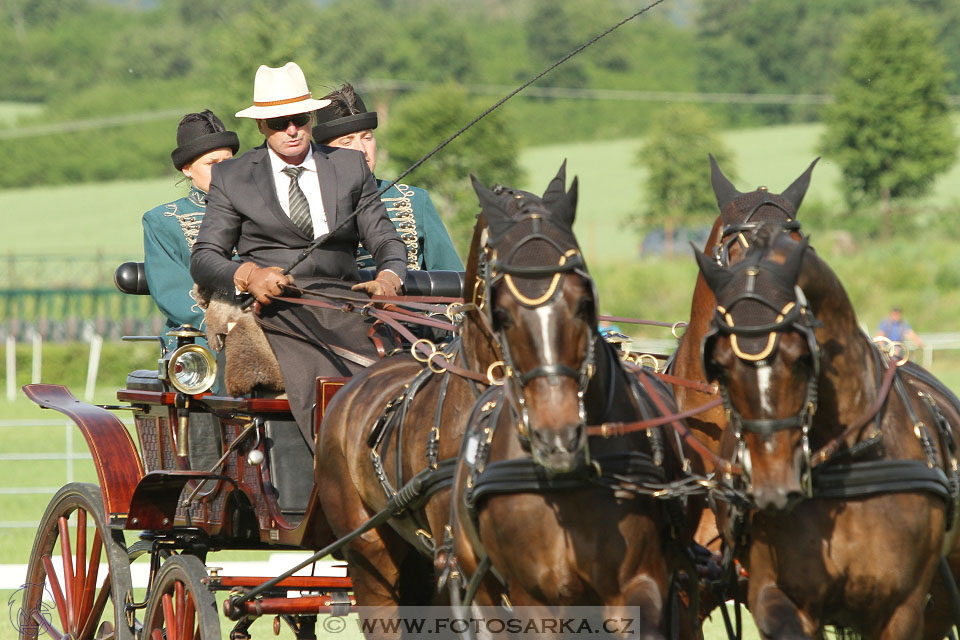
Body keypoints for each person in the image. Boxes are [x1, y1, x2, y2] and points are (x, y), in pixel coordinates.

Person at [190, 62, 406, 447]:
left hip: (347, 303)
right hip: (277, 309)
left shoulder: (349, 165)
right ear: (261, 126)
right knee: (323, 377)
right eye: (278, 122)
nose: (291, 130)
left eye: (299, 118)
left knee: (406, 371)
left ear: (311, 118)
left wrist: (391, 276)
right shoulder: (233, 177)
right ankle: (332, 466)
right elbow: (205, 258)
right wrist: (249, 276)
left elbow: (386, 240)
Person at [312, 83, 463, 271]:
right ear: (325, 151)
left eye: (367, 137)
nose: (361, 150)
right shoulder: (308, 202)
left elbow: (453, 280)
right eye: (347, 141)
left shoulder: (415, 201)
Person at [142, 110, 239, 350]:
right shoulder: (163, 221)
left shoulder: (259, 207)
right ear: (187, 168)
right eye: (211, 164)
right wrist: (222, 325)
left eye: (227, 163)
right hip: (200, 339)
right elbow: (173, 291)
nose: (221, 172)